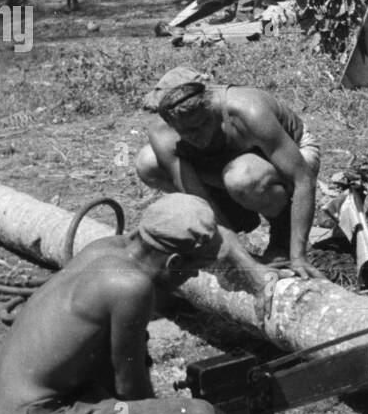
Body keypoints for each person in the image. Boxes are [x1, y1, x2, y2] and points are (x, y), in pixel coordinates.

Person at [0, 194, 272, 414]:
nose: (192, 278)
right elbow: (130, 387)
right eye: (194, 269)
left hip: (4, 404)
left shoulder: (108, 248)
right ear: (174, 263)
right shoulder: (130, 288)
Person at [135, 67, 325, 280]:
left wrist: (298, 256)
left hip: (293, 153)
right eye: (187, 131)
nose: (197, 136)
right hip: (225, 162)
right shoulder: (163, 132)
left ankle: (282, 232)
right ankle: (237, 217)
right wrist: (247, 265)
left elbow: (303, 179)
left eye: (202, 124)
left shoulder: (248, 111)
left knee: (243, 178)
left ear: (209, 103)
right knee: (148, 162)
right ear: (170, 122)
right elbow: (200, 201)